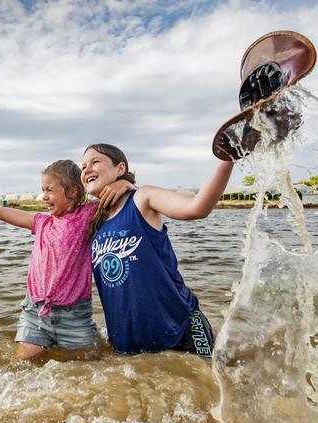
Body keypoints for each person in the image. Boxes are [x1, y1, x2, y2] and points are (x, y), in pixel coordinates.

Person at [0, 160, 132, 360]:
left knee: (89, 364)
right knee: (24, 363)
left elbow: (125, 201)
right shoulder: (41, 222)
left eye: (50, 190)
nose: (44, 196)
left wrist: (124, 184)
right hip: (35, 313)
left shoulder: (87, 215)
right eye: (43, 190)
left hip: (75, 317)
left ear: (72, 192)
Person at [81, 143, 234, 358]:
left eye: (95, 161)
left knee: (213, 383)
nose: (86, 169)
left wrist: (228, 157)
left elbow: (197, 208)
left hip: (183, 329)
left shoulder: (142, 198)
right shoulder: (91, 221)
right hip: (129, 342)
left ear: (120, 168)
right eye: (83, 166)